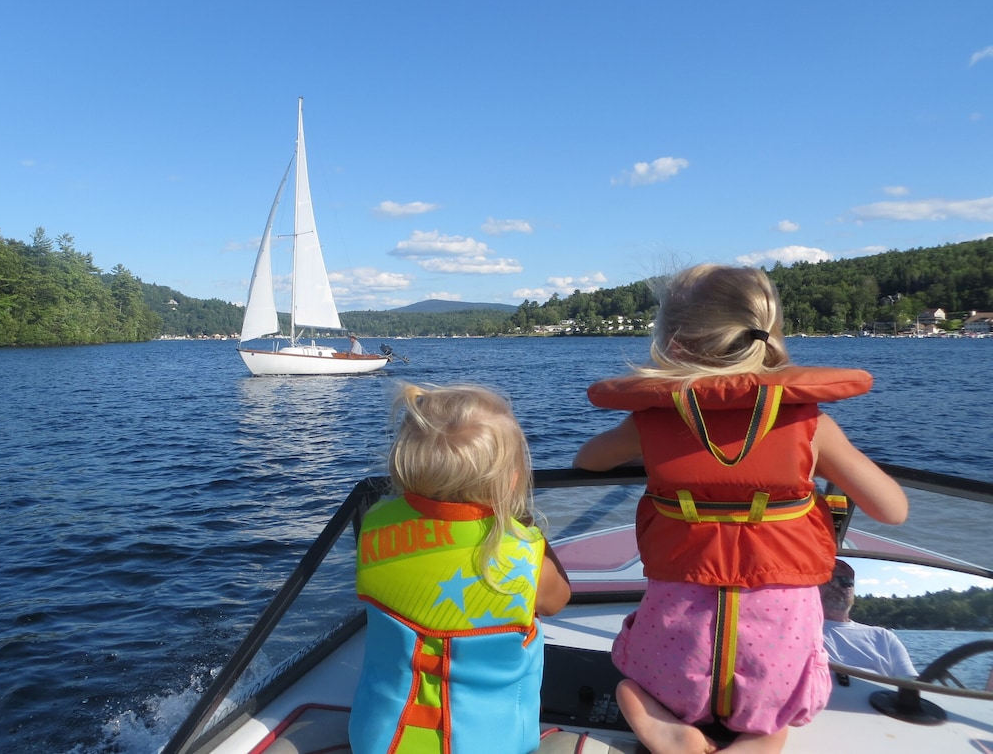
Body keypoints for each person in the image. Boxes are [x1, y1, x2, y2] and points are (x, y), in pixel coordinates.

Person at [572, 264, 908, 754]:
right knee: (778, 715)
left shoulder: (651, 421)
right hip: (776, 661)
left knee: (629, 688)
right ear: (769, 334)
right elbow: (892, 510)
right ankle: (760, 737)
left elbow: (588, 460)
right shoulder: (810, 424)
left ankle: (670, 726)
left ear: (674, 344)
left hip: (676, 660)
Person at [349, 383, 572, 754]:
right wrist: (527, 531)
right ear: (511, 479)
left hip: (378, 740)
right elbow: (556, 600)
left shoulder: (375, 524)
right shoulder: (524, 554)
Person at [820, 560, 916, 677]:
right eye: (828, 579)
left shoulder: (884, 637)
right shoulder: (801, 633)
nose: (836, 586)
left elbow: (911, 683)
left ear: (853, 590)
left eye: (845, 581)